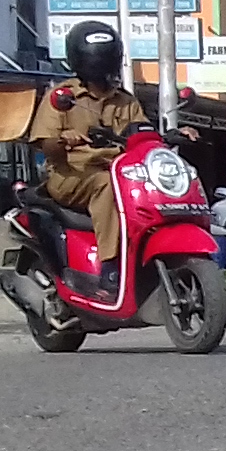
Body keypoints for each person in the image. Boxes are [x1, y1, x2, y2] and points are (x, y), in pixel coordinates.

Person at [20, 21, 144, 291]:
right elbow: (44, 144)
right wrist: (63, 140)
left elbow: (143, 137)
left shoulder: (126, 101)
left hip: (120, 172)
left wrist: (176, 133)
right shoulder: (62, 96)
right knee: (105, 185)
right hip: (71, 175)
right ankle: (111, 267)